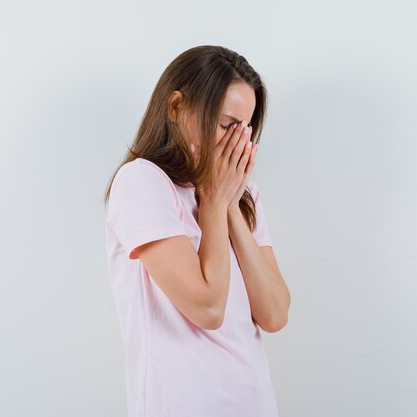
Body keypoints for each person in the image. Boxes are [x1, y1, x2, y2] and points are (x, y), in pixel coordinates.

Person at [103, 45, 290, 417]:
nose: (235, 142)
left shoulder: (243, 196)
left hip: (253, 402)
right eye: (224, 125)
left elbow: (274, 314)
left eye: (244, 129)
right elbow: (207, 307)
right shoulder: (142, 182)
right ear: (176, 108)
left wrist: (230, 206)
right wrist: (215, 204)